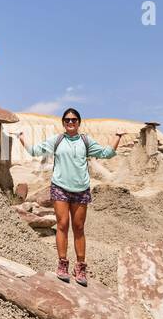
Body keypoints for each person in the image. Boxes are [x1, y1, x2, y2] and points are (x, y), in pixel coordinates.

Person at [16, 108, 123, 286]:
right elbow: (35, 151)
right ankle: (62, 264)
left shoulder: (86, 141)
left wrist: (118, 136)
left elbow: (107, 154)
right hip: (60, 188)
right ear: (63, 123)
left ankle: (80, 266)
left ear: (79, 122)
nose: (70, 122)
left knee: (79, 227)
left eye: (74, 120)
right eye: (67, 120)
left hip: (81, 190)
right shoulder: (57, 140)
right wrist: (21, 138)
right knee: (63, 225)